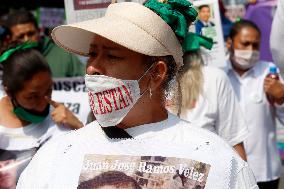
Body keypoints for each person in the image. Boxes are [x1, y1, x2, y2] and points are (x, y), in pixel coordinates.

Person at [17, 1, 258, 188]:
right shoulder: (55, 156)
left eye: (112, 56)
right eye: (92, 54)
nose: (93, 67)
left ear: (156, 73)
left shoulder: (217, 159)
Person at [0, 42, 83, 187]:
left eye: (48, 91)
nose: (43, 103)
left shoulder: (62, 122)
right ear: (9, 92)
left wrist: (79, 127)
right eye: (32, 97)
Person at [168, 33, 248, 161]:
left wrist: (245, 180)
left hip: (208, 172)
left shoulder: (214, 78)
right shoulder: (144, 79)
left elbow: (233, 141)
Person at [224, 19, 284, 189]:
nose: (250, 50)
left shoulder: (270, 72)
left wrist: (281, 98)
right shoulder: (219, 75)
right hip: (227, 170)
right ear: (229, 43)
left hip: (264, 170)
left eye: (255, 45)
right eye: (245, 43)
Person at [3, 10, 85, 78]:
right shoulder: (5, 62)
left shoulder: (65, 56)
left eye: (31, 34)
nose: (27, 40)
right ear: (9, 39)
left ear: (38, 32)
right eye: (20, 36)